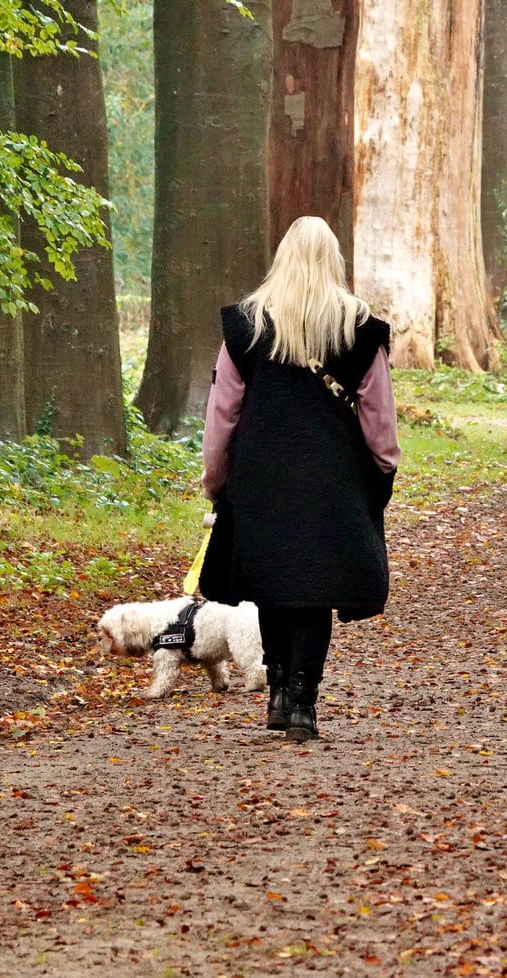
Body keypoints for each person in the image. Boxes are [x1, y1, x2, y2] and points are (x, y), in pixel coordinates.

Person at [198, 217, 399, 741]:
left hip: (261, 477)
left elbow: (223, 412)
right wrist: (383, 469)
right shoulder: (360, 328)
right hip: (333, 480)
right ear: (334, 261)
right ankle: (304, 702)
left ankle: (279, 693)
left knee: (274, 585)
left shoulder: (246, 327)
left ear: (282, 258)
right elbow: (379, 414)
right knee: (315, 588)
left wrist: (215, 477)